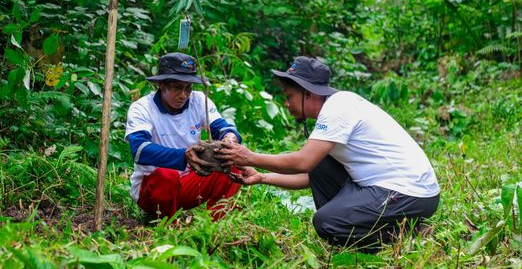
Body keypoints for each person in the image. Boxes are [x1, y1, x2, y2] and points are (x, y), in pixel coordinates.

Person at [217, 56, 440, 250]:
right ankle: (379, 227)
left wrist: (249, 156)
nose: (286, 103)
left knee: (327, 223)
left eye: (289, 96)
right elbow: (311, 174)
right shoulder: (336, 107)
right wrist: (263, 177)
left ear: (308, 94)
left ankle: (410, 234)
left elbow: (303, 162)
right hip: (393, 190)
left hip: (410, 193)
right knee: (320, 164)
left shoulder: (339, 108)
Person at [124, 52, 242, 220]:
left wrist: (229, 139)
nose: (183, 95)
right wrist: (183, 156)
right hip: (153, 190)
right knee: (167, 175)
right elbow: (140, 150)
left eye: (188, 88)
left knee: (232, 160)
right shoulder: (142, 108)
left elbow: (222, 127)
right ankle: (166, 226)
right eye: (177, 87)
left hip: (189, 184)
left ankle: (215, 225)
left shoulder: (198, 100)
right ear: (161, 84)